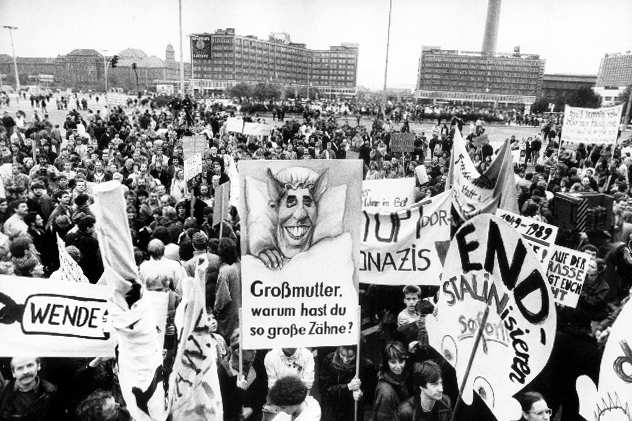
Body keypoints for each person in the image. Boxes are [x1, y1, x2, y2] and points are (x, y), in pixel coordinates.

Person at [317, 345, 376, 421]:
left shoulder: (366, 365)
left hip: (352, 411)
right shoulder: (329, 360)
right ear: (338, 350)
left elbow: (371, 392)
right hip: (333, 410)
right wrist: (348, 387)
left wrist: (362, 394)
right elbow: (324, 390)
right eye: (342, 355)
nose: (345, 360)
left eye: (351, 356)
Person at [0, 356, 60, 421]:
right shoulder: (3, 391)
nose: (25, 372)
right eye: (20, 368)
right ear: (13, 373)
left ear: (38, 366)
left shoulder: (51, 392)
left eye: (30, 365)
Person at [373, 341, 412, 421]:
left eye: (401, 361)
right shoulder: (385, 391)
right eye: (393, 362)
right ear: (387, 363)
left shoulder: (405, 376)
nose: (398, 367)